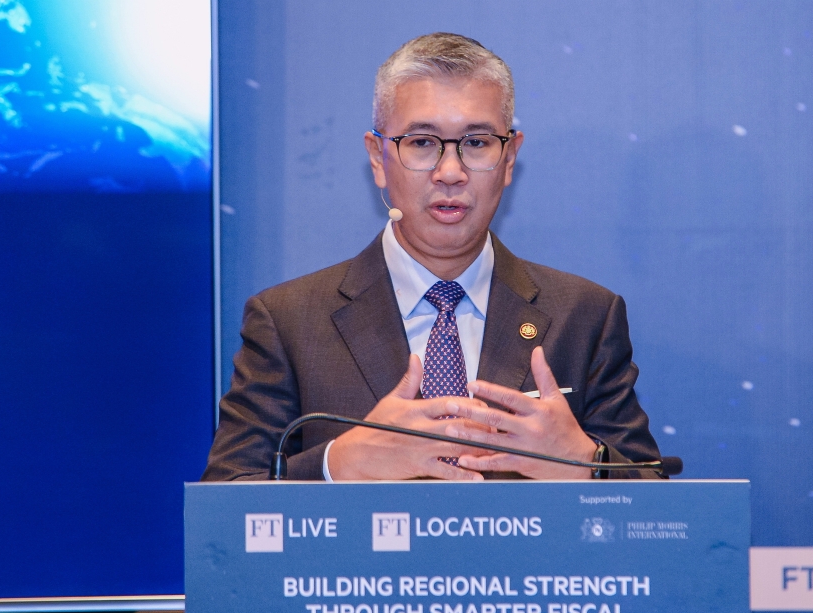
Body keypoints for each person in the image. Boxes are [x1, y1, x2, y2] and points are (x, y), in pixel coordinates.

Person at [202, 33, 660, 482]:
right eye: (422, 142)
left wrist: (584, 462)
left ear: (509, 158)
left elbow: (660, 511)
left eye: (477, 143)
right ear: (378, 158)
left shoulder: (584, 317)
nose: (450, 172)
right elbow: (224, 505)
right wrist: (338, 465)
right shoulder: (288, 321)